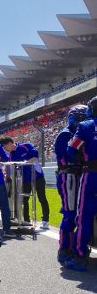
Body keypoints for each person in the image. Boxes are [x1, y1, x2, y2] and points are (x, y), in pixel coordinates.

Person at [55, 105, 88, 267]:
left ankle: (76, 246)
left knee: (79, 213)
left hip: (77, 176)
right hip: (68, 176)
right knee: (70, 213)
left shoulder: (77, 133)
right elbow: (70, 156)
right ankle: (64, 249)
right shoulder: (66, 134)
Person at [66, 97, 97, 271]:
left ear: (91, 110)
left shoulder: (85, 126)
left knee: (84, 216)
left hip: (91, 175)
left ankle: (80, 256)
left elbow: (72, 149)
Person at [0, 136, 50, 229]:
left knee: (42, 198)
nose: (5, 149)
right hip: (25, 180)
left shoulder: (26, 146)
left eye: (5, 147)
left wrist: (25, 163)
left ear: (10, 143)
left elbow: (35, 157)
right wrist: (7, 176)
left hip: (37, 177)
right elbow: (11, 167)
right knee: (24, 200)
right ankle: (26, 220)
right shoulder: (11, 156)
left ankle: (45, 220)